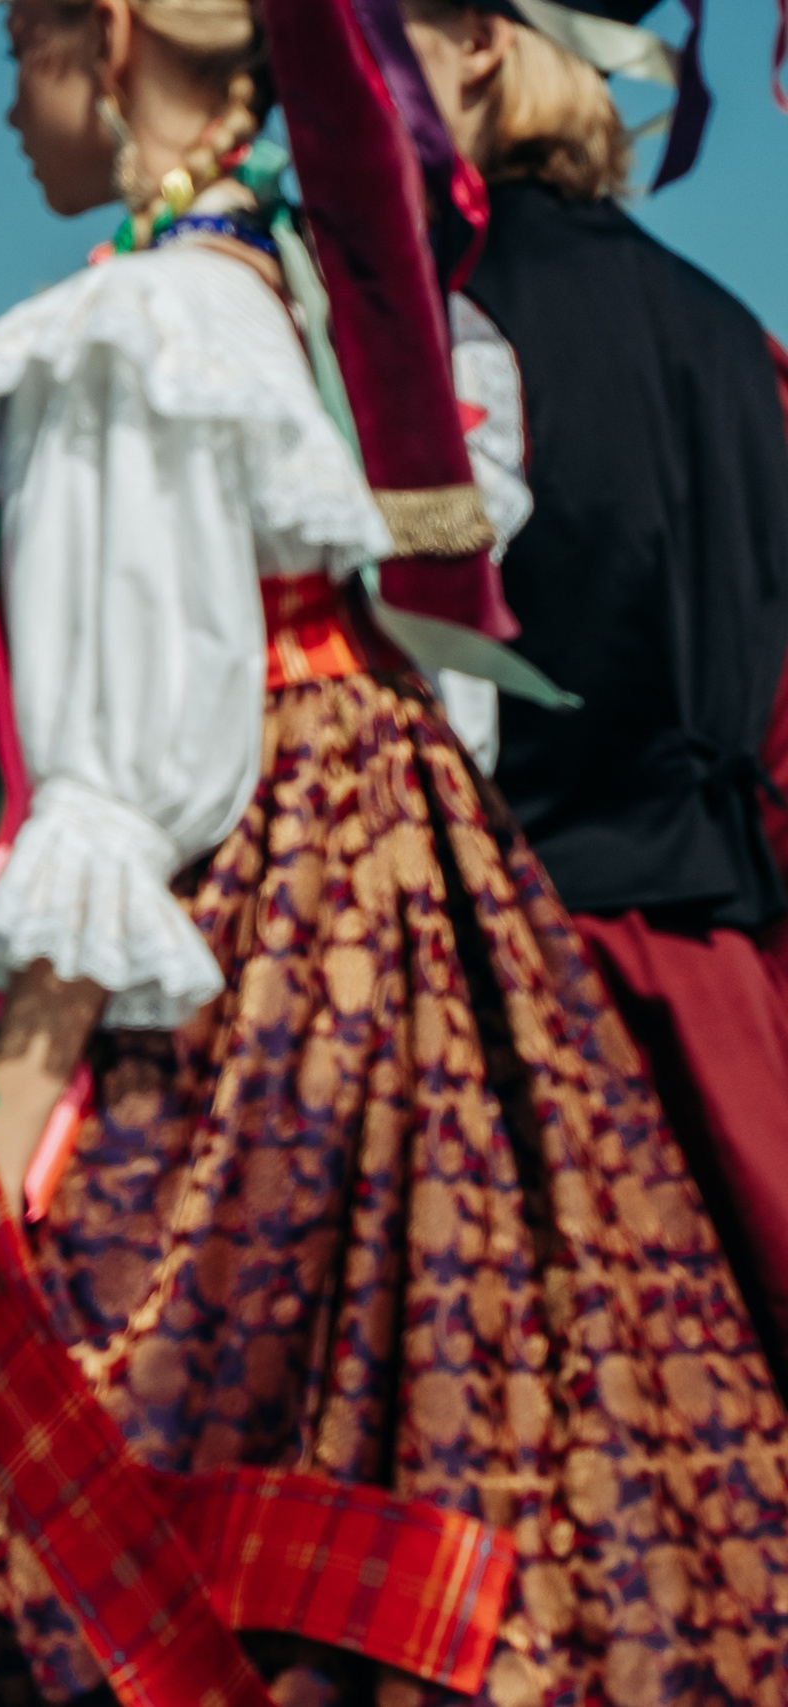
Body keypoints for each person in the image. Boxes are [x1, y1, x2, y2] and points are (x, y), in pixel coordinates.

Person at [0, 0, 788, 1699]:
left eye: (15, 47)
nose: (2, 105)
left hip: (229, 1001)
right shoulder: (357, 321)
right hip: (454, 993)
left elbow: (118, 788)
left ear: (113, 36)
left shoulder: (138, 332)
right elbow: (459, 680)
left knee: (104, 1505)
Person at [401, 0, 788, 1381]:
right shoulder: (740, 340)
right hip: (733, 1017)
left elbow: (441, 746)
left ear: (482, 42)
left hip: (513, 1017)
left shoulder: (433, 324)